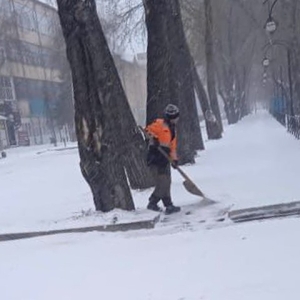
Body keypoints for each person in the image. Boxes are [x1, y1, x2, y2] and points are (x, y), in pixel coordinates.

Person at [145, 104, 181, 215]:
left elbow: (172, 147)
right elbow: (147, 131)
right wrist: (154, 139)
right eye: (174, 117)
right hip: (155, 158)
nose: (176, 119)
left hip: (165, 160)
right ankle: (152, 202)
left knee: (167, 182)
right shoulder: (160, 124)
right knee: (163, 183)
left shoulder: (173, 129)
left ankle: (168, 204)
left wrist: (174, 160)